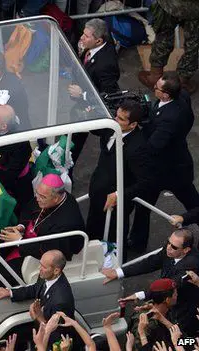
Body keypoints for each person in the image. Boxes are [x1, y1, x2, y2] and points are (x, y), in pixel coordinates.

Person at [86, 100, 158, 252]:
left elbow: (146, 181)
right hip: (97, 190)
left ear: (133, 125)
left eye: (121, 119)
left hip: (117, 201)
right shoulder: (111, 127)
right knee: (93, 228)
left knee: (114, 234)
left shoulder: (138, 148)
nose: (115, 120)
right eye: (116, 116)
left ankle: (115, 266)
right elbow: (97, 130)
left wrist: (119, 195)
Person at [137, 73, 199, 247]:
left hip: (170, 171)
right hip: (175, 164)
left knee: (192, 204)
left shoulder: (169, 119)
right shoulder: (182, 97)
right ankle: (137, 241)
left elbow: (153, 146)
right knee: (143, 206)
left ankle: (137, 242)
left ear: (165, 95)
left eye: (156, 87)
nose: (153, 88)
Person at [105, 228, 199, 336]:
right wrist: (118, 272)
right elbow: (150, 263)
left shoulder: (192, 264)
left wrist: (141, 295)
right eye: (168, 242)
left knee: (184, 338)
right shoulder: (171, 249)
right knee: (171, 334)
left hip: (185, 309)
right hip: (169, 302)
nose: (168, 248)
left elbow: (171, 285)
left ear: (186, 250)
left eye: (173, 247)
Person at [0, 174, 85, 275]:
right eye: (37, 193)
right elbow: (28, 209)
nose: (37, 198)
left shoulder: (66, 224)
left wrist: (19, 241)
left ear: (56, 198)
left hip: (39, 258)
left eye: (42, 197)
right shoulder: (47, 197)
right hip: (29, 239)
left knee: (4, 271)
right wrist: (22, 226)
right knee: (0, 246)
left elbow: (48, 250)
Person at [0, 250, 76, 344]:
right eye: (40, 264)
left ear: (56, 270)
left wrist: (38, 317)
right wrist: (10, 293)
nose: (39, 268)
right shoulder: (48, 275)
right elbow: (36, 288)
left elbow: (56, 333)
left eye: (43, 266)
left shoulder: (61, 300)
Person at [68, 18, 120, 168]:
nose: (81, 38)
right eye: (83, 34)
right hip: (82, 104)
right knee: (72, 140)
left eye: (86, 36)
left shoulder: (107, 64)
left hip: (92, 109)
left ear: (98, 41)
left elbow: (109, 95)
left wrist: (82, 94)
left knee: (74, 143)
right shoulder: (89, 46)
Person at [137, 0, 198, 93]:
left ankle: (155, 76)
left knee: (163, 36)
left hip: (168, 4)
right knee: (193, 43)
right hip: (193, 8)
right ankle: (182, 81)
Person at [129, 279, 178, 349]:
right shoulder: (148, 324)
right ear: (167, 300)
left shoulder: (169, 311)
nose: (177, 295)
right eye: (175, 294)